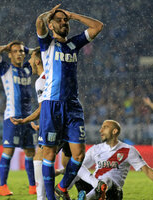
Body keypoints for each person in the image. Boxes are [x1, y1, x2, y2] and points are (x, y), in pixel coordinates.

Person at [36, 4, 103, 200]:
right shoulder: (47, 44)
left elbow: (98, 26)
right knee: (48, 154)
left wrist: (72, 15)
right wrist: (48, 14)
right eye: (59, 20)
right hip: (52, 104)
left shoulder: (75, 43)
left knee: (79, 154)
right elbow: (39, 22)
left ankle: (62, 187)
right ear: (51, 25)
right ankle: (50, 198)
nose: (64, 23)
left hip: (73, 105)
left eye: (65, 21)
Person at [10, 47, 71, 200]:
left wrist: (25, 120)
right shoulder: (54, 76)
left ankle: (43, 197)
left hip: (55, 124)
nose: (28, 61)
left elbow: (44, 108)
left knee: (40, 158)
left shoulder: (42, 80)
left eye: (30, 58)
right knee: (66, 162)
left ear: (37, 61)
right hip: (67, 122)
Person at [74, 120, 153, 200]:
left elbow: (147, 170)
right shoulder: (95, 149)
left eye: (105, 127)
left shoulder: (128, 150)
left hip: (114, 193)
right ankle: (61, 192)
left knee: (107, 180)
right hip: (94, 187)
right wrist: (61, 172)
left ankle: (86, 198)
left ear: (114, 131)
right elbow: (79, 168)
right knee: (75, 168)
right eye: (101, 127)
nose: (100, 130)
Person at [0, 41, 37, 196]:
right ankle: (2, 186)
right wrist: (6, 47)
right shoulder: (6, 69)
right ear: (10, 54)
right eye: (15, 51)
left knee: (30, 152)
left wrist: (27, 50)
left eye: (21, 51)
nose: (19, 54)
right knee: (8, 151)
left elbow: (39, 52)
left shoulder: (28, 69)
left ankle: (32, 186)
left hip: (28, 118)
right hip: (12, 117)